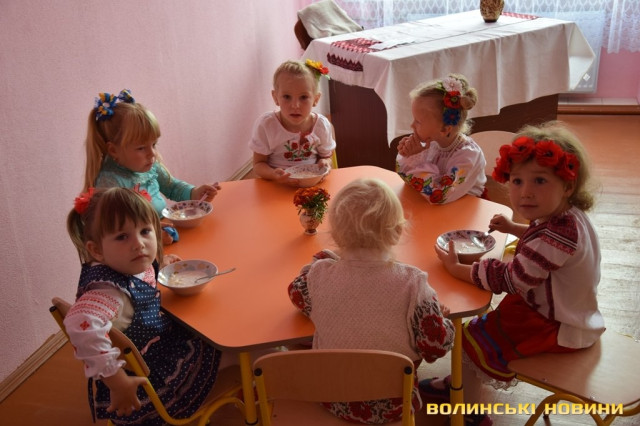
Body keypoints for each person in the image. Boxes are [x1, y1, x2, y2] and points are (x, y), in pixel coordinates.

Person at [424, 122, 605, 426]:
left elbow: (512, 279)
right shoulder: (565, 219)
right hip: (564, 310)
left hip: (558, 324)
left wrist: (458, 269)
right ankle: (458, 386)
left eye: (540, 181)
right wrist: (513, 228)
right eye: (517, 181)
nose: (525, 192)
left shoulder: (558, 234)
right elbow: (541, 239)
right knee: (475, 330)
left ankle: (470, 413)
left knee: (469, 340)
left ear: (568, 186)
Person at [288, 178, 455, 424]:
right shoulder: (414, 284)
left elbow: (296, 293)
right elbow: (435, 348)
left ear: (335, 236)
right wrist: (441, 320)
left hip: (332, 396)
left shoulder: (319, 274)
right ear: (397, 232)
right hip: (393, 403)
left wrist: (322, 258)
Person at [64, 187, 228, 425]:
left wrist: (162, 262)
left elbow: (140, 277)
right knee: (218, 339)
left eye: (144, 231)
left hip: (154, 345)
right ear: (96, 250)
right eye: (122, 237)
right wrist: (116, 380)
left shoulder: (126, 264)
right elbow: (78, 324)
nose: (139, 244)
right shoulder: (108, 293)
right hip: (150, 377)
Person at [84, 89, 221, 243]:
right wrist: (151, 235)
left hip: (163, 235)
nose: (152, 154)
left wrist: (194, 193)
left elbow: (172, 187)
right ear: (114, 150)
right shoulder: (110, 183)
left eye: (154, 144)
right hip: (140, 250)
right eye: (141, 148)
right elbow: (118, 233)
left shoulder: (149, 165)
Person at [396, 74, 486, 204]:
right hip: (436, 209)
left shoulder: (468, 156)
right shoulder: (429, 143)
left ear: (445, 129)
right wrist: (409, 155)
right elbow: (409, 181)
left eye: (418, 122)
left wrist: (416, 163)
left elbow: (439, 195)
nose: (412, 125)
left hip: (465, 209)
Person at [249, 59, 336, 185]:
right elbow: (258, 164)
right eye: (287, 97)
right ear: (275, 97)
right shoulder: (266, 125)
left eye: (303, 97)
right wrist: (273, 175)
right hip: (278, 185)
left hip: (312, 185)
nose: (295, 105)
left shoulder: (321, 125)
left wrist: (325, 162)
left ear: (316, 99)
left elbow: (326, 157)